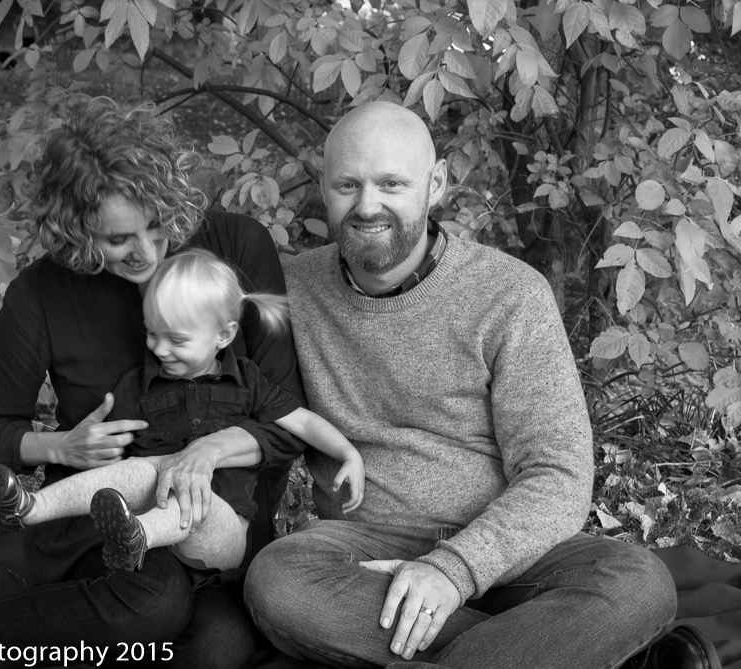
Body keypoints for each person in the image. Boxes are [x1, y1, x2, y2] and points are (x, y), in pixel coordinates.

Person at [0, 97, 306, 669]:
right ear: (77, 229)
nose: (147, 252)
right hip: (100, 517)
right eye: (118, 240)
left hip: (219, 521)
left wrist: (206, 453)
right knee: (155, 602)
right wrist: (59, 446)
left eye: (156, 225)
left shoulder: (237, 247)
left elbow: (289, 420)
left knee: (219, 651)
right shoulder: (40, 293)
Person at [243, 101, 684, 669]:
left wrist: (453, 570)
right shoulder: (291, 292)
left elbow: (560, 473)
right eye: (347, 185)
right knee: (278, 581)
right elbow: (236, 390)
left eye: (392, 183)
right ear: (324, 186)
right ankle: (555, 651)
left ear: (436, 185)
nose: (367, 205)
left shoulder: (508, 294)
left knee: (637, 581)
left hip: (509, 547)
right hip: (365, 555)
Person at [0, 249, 364, 574]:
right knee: (147, 468)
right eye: (152, 333)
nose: (160, 349)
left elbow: (302, 422)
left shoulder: (247, 382)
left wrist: (348, 453)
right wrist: (81, 446)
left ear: (223, 335)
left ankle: (138, 536)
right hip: (155, 509)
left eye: (177, 340)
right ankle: (29, 508)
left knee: (190, 489)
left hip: (221, 529)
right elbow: (113, 462)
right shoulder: (137, 386)